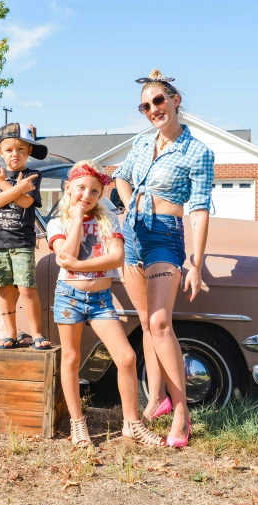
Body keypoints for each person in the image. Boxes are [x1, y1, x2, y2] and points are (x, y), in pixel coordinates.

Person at [113, 69, 214, 447]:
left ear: (175, 100)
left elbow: (200, 209)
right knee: (143, 321)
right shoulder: (141, 144)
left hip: (165, 236)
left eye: (158, 101)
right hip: (134, 234)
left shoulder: (198, 151)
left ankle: (182, 410)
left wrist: (196, 262)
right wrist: (127, 208)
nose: (153, 109)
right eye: (145, 105)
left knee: (159, 323)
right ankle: (156, 399)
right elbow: (119, 177)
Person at [47, 161, 166, 448]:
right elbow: (65, 256)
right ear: (68, 189)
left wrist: (79, 264)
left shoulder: (108, 220)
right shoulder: (57, 222)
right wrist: (76, 219)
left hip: (101, 300)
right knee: (71, 359)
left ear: (100, 194)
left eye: (94, 191)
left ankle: (132, 424)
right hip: (69, 298)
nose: (86, 195)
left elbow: (116, 258)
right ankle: (78, 423)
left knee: (125, 357)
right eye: (81, 189)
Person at [0, 123, 52, 350]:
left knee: (26, 288)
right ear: (0, 152)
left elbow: (26, 202)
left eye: (22, 149)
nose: (16, 154)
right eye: (10, 150)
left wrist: (9, 187)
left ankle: (37, 333)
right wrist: (8, 184)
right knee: (4, 290)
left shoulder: (33, 175)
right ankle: (10, 333)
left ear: (29, 152)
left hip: (22, 241)